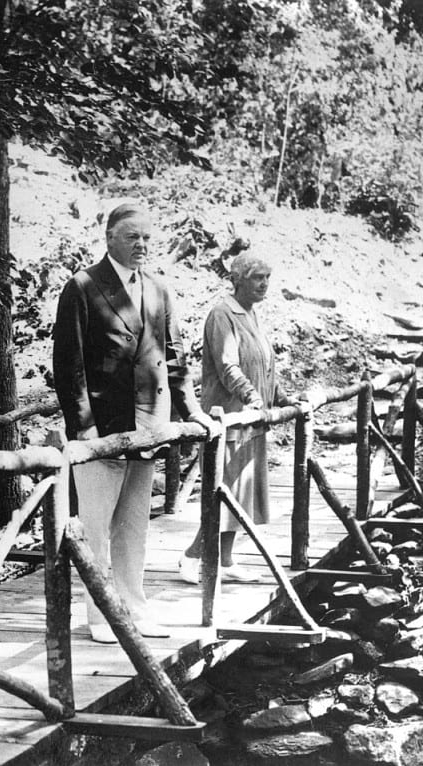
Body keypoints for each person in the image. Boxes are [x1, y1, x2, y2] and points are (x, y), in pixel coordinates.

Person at [53, 201, 214, 644]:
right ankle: (102, 614)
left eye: (146, 237)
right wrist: (83, 428)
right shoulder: (83, 287)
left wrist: (191, 411)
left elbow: (175, 359)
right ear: (109, 239)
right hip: (102, 428)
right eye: (131, 237)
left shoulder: (159, 290)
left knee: (133, 526)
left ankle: (134, 607)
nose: (141, 245)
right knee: (97, 526)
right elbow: (69, 366)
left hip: (149, 425)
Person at [178, 253, 296, 584]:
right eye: (257, 277)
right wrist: (252, 397)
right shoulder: (222, 314)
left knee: (241, 493)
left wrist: (281, 397)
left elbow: (263, 362)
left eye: (267, 277)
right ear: (238, 279)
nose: (264, 284)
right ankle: (191, 556)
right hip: (229, 417)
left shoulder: (252, 314)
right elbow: (228, 365)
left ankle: (225, 560)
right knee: (223, 491)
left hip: (251, 420)